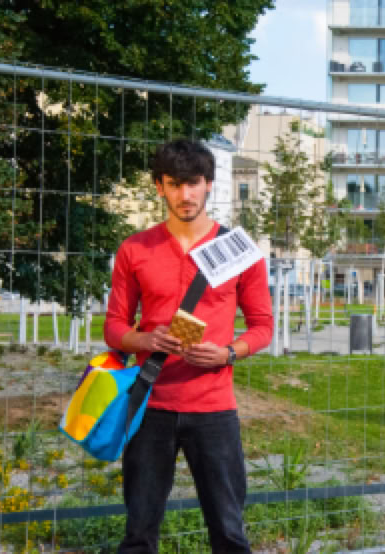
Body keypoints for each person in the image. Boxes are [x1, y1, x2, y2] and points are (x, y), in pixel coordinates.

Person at [104, 139, 273, 553]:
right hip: (150, 405)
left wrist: (228, 353)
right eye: (174, 184)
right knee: (139, 533)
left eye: (193, 183)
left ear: (209, 184)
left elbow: (263, 326)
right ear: (159, 186)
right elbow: (114, 326)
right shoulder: (135, 249)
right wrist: (143, 339)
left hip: (214, 408)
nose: (185, 195)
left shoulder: (239, 252)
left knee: (229, 533)